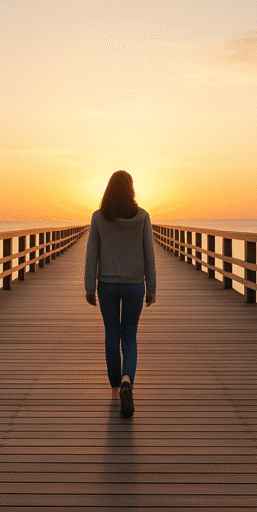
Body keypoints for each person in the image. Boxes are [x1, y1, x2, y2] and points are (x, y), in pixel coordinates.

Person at [84, 170, 156, 417]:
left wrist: (89, 287)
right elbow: (150, 254)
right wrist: (152, 289)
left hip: (106, 285)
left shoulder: (98, 218)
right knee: (130, 336)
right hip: (135, 285)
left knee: (112, 333)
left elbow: (91, 253)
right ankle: (127, 379)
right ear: (131, 189)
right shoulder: (143, 217)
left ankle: (115, 387)